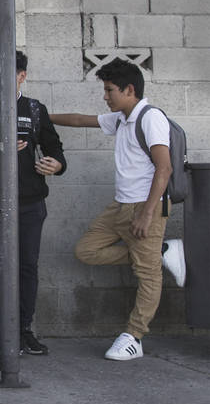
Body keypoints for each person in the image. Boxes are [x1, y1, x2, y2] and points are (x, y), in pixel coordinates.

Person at [51, 59, 173, 361]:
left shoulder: (150, 117)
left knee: (148, 276)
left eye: (109, 90)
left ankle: (134, 336)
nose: (105, 96)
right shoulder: (121, 118)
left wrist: (146, 213)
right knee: (86, 251)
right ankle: (162, 253)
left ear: (129, 89)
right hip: (119, 206)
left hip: (146, 208)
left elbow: (164, 168)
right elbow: (81, 120)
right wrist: (37, 115)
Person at [0, 51, 66, 355]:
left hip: (32, 200)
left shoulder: (34, 109)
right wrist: (0, 148)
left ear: (23, 76)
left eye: (14, 75)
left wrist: (56, 164)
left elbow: (54, 147)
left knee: (28, 265)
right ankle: (2, 333)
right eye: (0, 76)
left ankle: (24, 330)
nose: (7, 81)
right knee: (2, 264)